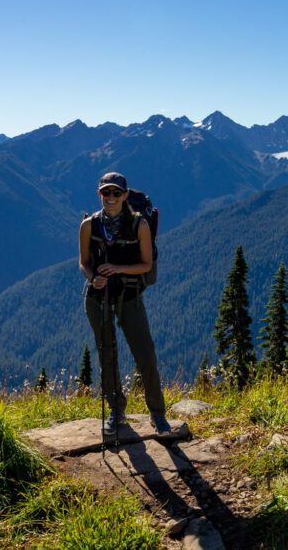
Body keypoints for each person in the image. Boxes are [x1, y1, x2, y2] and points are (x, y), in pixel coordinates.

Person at [80, 171, 172, 437]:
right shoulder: (88, 225)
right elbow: (83, 262)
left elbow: (145, 264)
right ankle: (116, 411)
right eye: (106, 193)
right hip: (97, 298)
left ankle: (158, 414)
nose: (111, 198)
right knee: (106, 354)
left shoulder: (139, 225)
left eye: (116, 193)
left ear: (125, 195)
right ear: (99, 194)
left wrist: (117, 268)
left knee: (145, 355)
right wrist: (93, 277)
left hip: (129, 297)